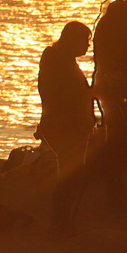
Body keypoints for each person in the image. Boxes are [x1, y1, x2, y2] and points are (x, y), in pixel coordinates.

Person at [50, 0, 127, 238]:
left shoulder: (116, 19)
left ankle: (122, 192)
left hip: (116, 86)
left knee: (121, 137)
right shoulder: (118, 21)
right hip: (115, 88)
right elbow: (111, 56)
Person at [36, 21, 94, 175]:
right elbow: (57, 95)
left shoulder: (64, 59)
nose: (88, 46)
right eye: (85, 41)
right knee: (69, 171)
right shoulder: (57, 60)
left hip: (68, 126)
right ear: (73, 40)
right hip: (64, 127)